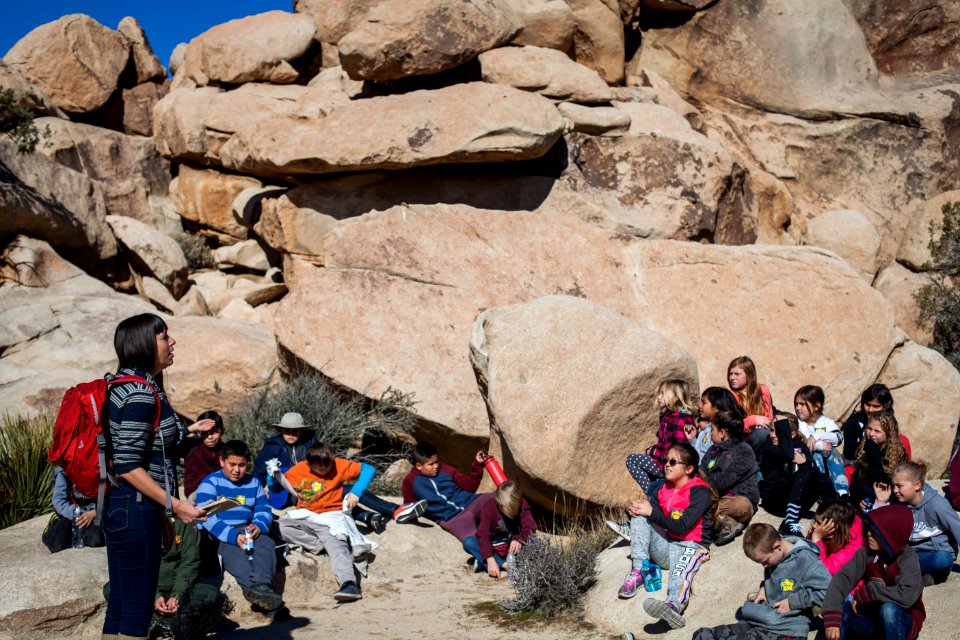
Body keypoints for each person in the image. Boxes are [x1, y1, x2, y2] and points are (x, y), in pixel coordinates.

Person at [102, 313, 215, 639]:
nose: (172, 341)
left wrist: (163, 516)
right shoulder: (139, 393)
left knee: (122, 607)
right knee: (136, 613)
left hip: (128, 507)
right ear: (144, 343)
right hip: (135, 508)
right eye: (164, 336)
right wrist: (177, 507)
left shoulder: (125, 383)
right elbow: (128, 465)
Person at [618, 443, 715, 630]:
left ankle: (673, 606)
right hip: (667, 545)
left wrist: (651, 512)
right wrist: (635, 508)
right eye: (665, 461)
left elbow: (682, 526)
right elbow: (650, 509)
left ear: (688, 469)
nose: (666, 465)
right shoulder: (664, 487)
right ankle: (638, 572)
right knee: (640, 515)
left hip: (691, 546)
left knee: (681, 572)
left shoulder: (700, 492)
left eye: (672, 461)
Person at [690, 523, 830, 640]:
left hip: (786, 628)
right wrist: (765, 586)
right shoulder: (775, 554)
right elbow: (780, 579)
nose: (764, 566)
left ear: (777, 546)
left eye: (765, 561)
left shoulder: (806, 560)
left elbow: (829, 592)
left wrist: (793, 602)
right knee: (702, 635)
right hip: (761, 618)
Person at [278, 442, 381, 602]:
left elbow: (368, 470)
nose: (325, 471)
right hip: (305, 516)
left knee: (338, 548)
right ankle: (320, 546)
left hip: (330, 519)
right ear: (309, 464)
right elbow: (279, 482)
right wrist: (270, 480)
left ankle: (349, 584)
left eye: (328, 466)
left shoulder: (338, 465)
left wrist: (355, 492)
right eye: (320, 469)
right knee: (282, 527)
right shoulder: (299, 469)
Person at [196, 439, 283, 614]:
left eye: (242, 465)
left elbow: (263, 508)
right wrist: (233, 537)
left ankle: (263, 589)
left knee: (266, 545)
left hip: (247, 528)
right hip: (221, 534)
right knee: (237, 557)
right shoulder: (210, 483)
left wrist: (259, 525)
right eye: (232, 464)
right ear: (222, 462)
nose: (237, 470)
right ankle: (269, 603)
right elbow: (207, 517)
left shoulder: (253, 483)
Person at [822, 504, 925, 640]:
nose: (869, 533)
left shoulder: (907, 557)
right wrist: (832, 617)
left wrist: (869, 593)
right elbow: (841, 580)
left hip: (900, 622)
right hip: (871, 621)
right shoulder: (866, 553)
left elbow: (907, 594)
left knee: (889, 609)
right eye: (870, 528)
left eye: (877, 531)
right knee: (842, 605)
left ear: (891, 534)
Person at [103, 520, 220, 638]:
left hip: (178, 589)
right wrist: (154, 596)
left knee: (211, 594)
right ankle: (169, 622)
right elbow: (133, 566)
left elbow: (189, 563)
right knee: (111, 589)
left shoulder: (185, 523)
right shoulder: (137, 521)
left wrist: (177, 595)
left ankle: (162, 622)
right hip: (146, 592)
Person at [402, 442, 492, 568]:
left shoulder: (444, 469)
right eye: (431, 464)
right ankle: (500, 563)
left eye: (436, 462)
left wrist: (477, 465)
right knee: (471, 542)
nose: (436, 466)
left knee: (497, 498)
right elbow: (411, 508)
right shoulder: (410, 482)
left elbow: (469, 486)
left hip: (471, 502)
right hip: (453, 519)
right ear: (418, 466)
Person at [889, 460, 960, 585]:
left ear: (917, 485)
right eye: (893, 485)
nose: (895, 490)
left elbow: (957, 528)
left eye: (899, 486)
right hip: (912, 555)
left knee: (943, 559)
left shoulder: (937, 504)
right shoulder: (896, 503)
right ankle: (922, 576)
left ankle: (902, 573)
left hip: (935, 553)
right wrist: (880, 502)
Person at [625, 380, 696, 493]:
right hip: (663, 461)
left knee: (632, 460)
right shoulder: (669, 416)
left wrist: (653, 452)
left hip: (669, 464)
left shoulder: (678, 419)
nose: (658, 397)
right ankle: (660, 489)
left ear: (675, 396)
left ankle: (652, 494)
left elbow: (679, 451)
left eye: (662, 393)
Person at [701, 409, 760, 545]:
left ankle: (722, 521)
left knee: (740, 505)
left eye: (713, 430)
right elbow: (701, 472)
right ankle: (727, 523)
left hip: (738, 500)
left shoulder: (744, 451)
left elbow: (722, 482)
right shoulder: (712, 451)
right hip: (714, 499)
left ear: (722, 433)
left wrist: (704, 484)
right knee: (700, 506)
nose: (710, 433)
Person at [774, 412, 838, 535]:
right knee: (803, 474)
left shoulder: (800, 445)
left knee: (821, 477)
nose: (773, 435)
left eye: (778, 431)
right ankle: (790, 522)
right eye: (772, 430)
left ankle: (834, 514)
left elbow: (814, 472)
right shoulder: (770, 446)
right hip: (777, 500)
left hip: (796, 500)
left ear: (792, 434)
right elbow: (786, 454)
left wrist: (805, 463)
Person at [253, 412, 318, 509]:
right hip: (279, 493)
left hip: (305, 492)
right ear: (281, 430)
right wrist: (259, 489)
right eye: (287, 430)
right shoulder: (272, 447)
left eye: (295, 430)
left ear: (302, 431)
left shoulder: (309, 446)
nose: (291, 434)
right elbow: (260, 469)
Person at [795, 385, 848, 497]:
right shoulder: (798, 423)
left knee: (835, 453)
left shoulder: (826, 422)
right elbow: (802, 443)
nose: (798, 408)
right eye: (796, 404)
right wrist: (819, 445)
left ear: (816, 406)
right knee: (816, 456)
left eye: (802, 404)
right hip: (807, 458)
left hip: (827, 456)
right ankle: (821, 489)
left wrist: (816, 436)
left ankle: (842, 491)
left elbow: (838, 438)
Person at [476, 481, 537, 579]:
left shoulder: (521, 504)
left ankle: (483, 562)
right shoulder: (489, 507)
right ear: (498, 502)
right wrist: (490, 559)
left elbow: (530, 527)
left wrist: (519, 539)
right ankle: (503, 564)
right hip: (494, 544)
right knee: (469, 543)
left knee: (535, 541)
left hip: (511, 543)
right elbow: (483, 535)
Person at [849, 411, 908, 511]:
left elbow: (881, 480)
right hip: (865, 498)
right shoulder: (865, 445)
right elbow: (858, 478)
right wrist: (860, 500)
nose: (871, 434)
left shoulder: (896, 452)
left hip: (886, 496)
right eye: (869, 429)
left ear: (888, 434)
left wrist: (872, 452)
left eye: (877, 431)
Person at [42, 467, 105, 552]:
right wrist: (78, 513)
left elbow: (108, 497)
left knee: (96, 539)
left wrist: (95, 512)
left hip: (93, 514)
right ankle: (52, 527)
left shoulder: (100, 467)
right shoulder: (63, 471)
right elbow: (59, 501)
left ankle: (82, 535)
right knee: (57, 544)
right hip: (70, 514)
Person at [727, 356, 774, 452]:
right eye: (730, 374)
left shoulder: (763, 390)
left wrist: (764, 424)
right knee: (762, 433)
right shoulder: (729, 396)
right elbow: (731, 428)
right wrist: (753, 420)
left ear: (749, 375)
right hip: (740, 441)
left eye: (737, 374)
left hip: (762, 435)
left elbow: (769, 417)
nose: (732, 377)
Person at [807, 499, 863, 575]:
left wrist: (817, 539)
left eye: (819, 523)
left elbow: (824, 571)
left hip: (836, 583)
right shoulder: (825, 532)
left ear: (834, 527)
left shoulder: (852, 547)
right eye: (815, 520)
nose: (814, 525)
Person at [842, 384, 894, 464]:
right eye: (868, 405)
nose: (870, 410)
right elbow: (848, 453)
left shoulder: (889, 422)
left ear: (885, 406)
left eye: (876, 406)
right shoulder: (854, 421)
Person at [183, 410, 225, 501]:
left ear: (222, 431)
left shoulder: (226, 450)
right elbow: (171, 441)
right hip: (195, 494)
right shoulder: (191, 446)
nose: (210, 437)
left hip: (221, 493)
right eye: (205, 432)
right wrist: (191, 428)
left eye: (214, 432)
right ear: (198, 432)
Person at [693, 388, 743, 462]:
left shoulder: (719, 431)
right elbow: (698, 451)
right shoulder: (708, 427)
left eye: (704, 402)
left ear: (716, 407)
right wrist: (692, 439)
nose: (700, 406)